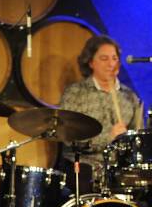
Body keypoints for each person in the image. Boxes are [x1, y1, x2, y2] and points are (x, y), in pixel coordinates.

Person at [59, 34, 142, 189]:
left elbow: (136, 140)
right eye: (104, 59)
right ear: (90, 62)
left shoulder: (130, 97)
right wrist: (108, 137)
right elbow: (68, 138)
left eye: (115, 58)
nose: (111, 64)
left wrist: (128, 140)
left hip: (118, 169)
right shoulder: (75, 93)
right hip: (83, 165)